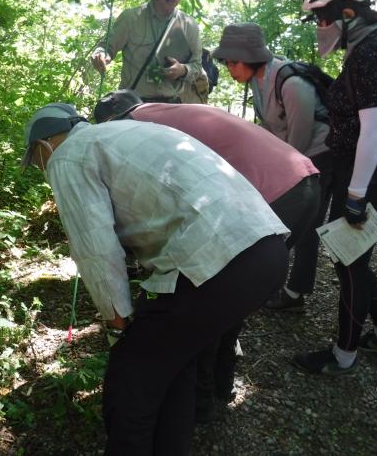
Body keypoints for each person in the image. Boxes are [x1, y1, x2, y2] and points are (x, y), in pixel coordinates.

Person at [21, 103, 289, 454]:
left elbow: (95, 248)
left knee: (131, 374)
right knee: (173, 364)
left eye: (38, 162)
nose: (43, 170)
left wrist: (117, 324)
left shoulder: (68, 156)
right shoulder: (129, 131)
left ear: (45, 145)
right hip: (266, 248)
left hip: (216, 260)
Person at [94, 89, 320, 420]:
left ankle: (202, 400)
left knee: (215, 292)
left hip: (275, 192)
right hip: (302, 180)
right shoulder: (167, 111)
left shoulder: (139, 125)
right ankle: (219, 385)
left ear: (112, 121)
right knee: (234, 291)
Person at [292, 0, 377, 375]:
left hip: (367, 177)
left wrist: (356, 194)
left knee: (349, 264)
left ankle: (344, 355)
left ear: (348, 14)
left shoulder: (369, 51)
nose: (320, 27)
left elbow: (374, 127)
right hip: (369, 172)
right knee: (351, 257)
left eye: (323, 18)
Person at [211, 22, 333, 313]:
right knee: (288, 225)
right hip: (292, 156)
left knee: (303, 225)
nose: (230, 70)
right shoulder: (257, 80)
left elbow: (299, 142)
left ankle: (293, 292)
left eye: (232, 63)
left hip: (319, 156)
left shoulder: (291, 83)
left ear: (249, 59)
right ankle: (277, 287)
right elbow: (268, 128)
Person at [90, 0, 205, 103]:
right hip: (133, 104)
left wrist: (183, 70)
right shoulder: (131, 18)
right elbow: (106, 48)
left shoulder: (189, 25)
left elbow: (197, 66)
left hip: (171, 105)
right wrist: (100, 56)